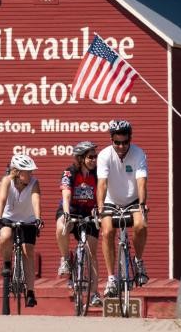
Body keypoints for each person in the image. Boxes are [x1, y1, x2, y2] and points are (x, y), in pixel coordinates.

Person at [96, 119, 149, 297]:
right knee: (108, 231)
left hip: (132, 199)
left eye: (125, 142)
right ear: (112, 140)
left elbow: (141, 182)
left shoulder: (138, 154)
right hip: (111, 200)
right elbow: (102, 184)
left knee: (141, 225)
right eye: (117, 142)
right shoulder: (104, 155)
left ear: (130, 139)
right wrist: (100, 207)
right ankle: (111, 278)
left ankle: (138, 261)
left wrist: (142, 204)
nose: (121, 146)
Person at [55, 140, 103, 307]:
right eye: (91, 157)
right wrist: (67, 213)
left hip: (90, 212)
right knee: (62, 225)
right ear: (81, 158)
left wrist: (100, 211)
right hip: (73, 209)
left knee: (91, 251)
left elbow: (102, 194)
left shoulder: (98, 173)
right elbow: (66, 195)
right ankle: (66, 259)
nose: (94, 160)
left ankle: (94, 293)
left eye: (95, 157)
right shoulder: (70, 172)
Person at [0, 154, 43, 307]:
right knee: (5, 237)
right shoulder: (7, 181)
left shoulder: (34, 183)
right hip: (8, 218)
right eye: (27, 171)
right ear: (17, 172)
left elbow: (36, 200)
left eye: (31, 171)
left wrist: (38, 218)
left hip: (28, 220)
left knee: (28, 251)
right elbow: (1, 200)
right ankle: (7, 263)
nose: (30, 174)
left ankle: (30, 292)